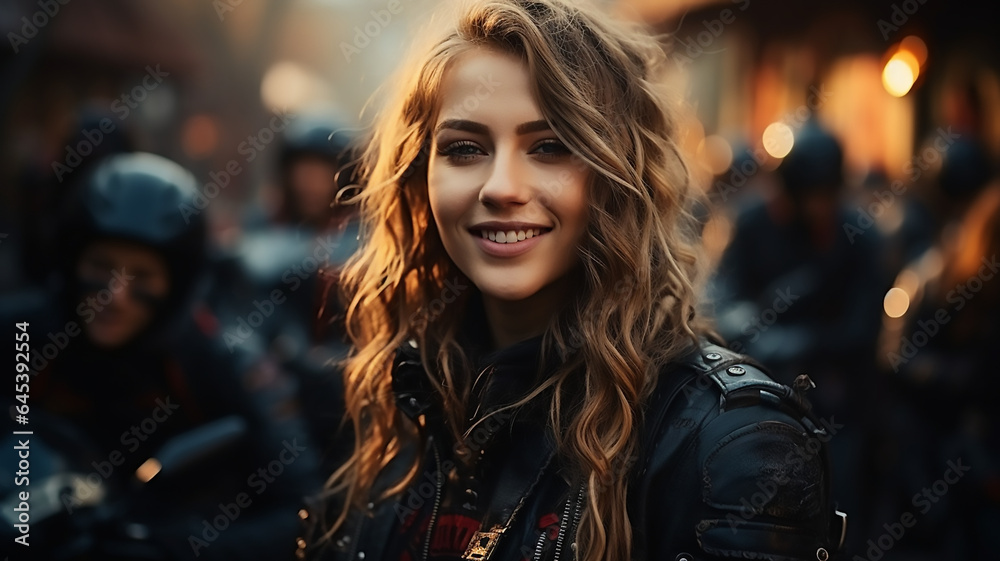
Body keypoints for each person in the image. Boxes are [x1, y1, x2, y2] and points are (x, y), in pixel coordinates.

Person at [302, 1, 845, 560]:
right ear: (421, 177)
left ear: (620, 175)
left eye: (550, 147)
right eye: (465, 148)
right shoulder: (395, 403)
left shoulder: (730, 448)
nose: (502, 187)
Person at [0, 152, 318, 560]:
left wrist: (181, 549)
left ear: (178, 285)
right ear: (71, 260)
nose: (115, 296)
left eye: (143, 276)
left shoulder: (223, 360)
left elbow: (304, 506)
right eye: (101, 266)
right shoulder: (22, 332)